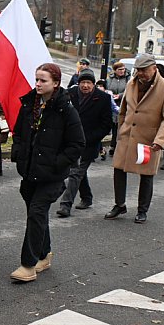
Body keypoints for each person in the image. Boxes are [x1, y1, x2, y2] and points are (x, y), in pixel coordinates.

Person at [10, 63, 84, 282]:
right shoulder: (30, 104)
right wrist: (19, 155)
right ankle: (44, 254)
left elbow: (77, 143)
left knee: (36, 213)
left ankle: (28, 265)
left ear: (56, 83)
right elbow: (19, 133)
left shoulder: (65, 109)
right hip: (30, 171)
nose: (38, 84)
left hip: (52, 176)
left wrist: (56, 163)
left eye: (43, 80)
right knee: (37, 215)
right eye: (37, 79)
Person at [106, 54, 164, 224]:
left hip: (149, 139)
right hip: (127, 135)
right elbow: (123, 110)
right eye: (138, 70)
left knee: (146, 175)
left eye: (144, 70)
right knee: (118, 170)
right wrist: (121, 129)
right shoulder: (131, 83)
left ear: (154, 68)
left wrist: (160, 140)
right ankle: (120, 204)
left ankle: (142, 210)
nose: (141, 73)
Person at [56, 69, 113, 218]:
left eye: (88, 83)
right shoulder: (70, 94)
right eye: (83, 82)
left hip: (89, 143)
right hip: (70, 141)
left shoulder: (103, 98)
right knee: (79, 172)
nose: (85, 86)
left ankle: (65, 205)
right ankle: (87, 197)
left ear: (93, 84)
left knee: (76, 172)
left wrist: (90, 138)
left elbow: (106, 124)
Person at [106, 61, 129, 155]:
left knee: (121, 126)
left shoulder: (128, 78)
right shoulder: (110, 78)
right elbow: (107, 88)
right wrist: (110, 94)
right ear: (115, 70)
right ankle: (113, 145)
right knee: (113, 126)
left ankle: (119, 146)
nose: (122, 71)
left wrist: (119, 96)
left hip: (124, 104)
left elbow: (129, 91)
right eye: (120, 69)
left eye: (123, 69)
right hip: (112, 104)